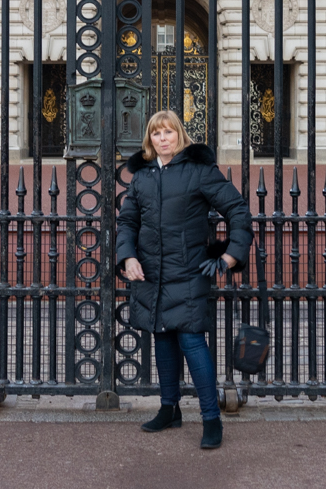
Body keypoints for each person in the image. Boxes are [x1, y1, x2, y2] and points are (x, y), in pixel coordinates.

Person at [116, 109, 253, 450]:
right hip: (151, 273)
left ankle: (211, 418)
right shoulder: (143, 177)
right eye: (156, 134)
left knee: (192, 344)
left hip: (189, 271)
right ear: (150, 140)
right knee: (162, 340)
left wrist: (230, 255)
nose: (163, 139)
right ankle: (169, 408)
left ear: (179, 135)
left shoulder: (199, 171)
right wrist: (127, 256)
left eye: (169, 133)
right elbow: (128, 222)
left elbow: (237, 210)